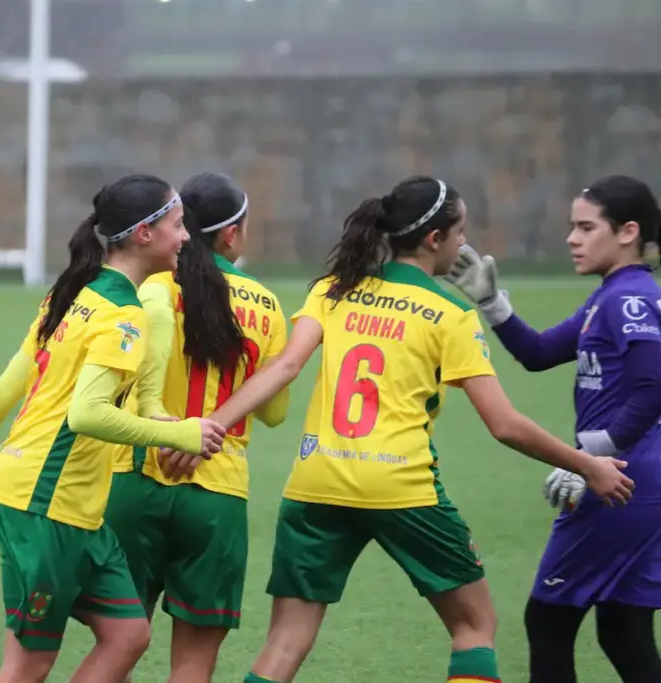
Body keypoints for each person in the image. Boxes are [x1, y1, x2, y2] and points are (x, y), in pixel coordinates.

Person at [175, 175, 634, 683]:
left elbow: (283, 368)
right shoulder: (451, 312)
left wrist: (209, 426)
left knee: (284, 642)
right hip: (400, 486)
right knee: (475, 625)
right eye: (460, 231)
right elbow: (504, 424)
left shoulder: (333, 289)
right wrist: (587, 466)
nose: (463, 243)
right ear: (435, 239)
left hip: (315, 481)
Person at [0, 174, 228, 683]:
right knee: (28, 665)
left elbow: (7, 388)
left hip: (70, 508)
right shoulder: (124, 315)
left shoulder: (71, 293)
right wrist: (181, 435)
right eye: (176, 225)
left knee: (129, 634)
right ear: (143, 235)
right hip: (44, 503)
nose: (187, 236)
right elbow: (85, 414)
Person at [446, 174, 661, 683]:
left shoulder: (630, 301)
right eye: (572, 227)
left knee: (548, 619)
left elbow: (654, 385)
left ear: (628, 231)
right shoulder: (609, 296)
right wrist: (494, 305)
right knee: (623, 626)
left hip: (620, 479)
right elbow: (539, 353)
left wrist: (590, 457)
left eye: (586, 227)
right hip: (633, 476)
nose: (572, 238)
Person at [104, 172, 290, 682]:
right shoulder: (269, 306)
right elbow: (274, 414)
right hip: (216, 492)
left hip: (134, 478)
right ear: (231, 234)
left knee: (116, 649)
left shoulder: (149, 286)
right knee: (193, 664)